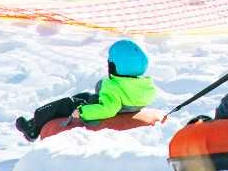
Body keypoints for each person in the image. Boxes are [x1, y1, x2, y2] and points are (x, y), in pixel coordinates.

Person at [15, 38, 157, 141]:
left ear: (115, 66)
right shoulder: (144, 86)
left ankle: (33, 127)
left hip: (96, 107)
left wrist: (82, 112)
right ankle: (35, 123)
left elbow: (109, 109)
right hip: (121, 106)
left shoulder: (114, 86)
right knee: (85, 95)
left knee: (66, 103)